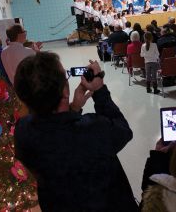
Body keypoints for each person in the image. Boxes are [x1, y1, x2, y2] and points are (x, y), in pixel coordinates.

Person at [13, 53, 138, 211]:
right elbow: (123, 131)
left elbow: (58, 135)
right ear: (65, 92)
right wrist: (99, 91)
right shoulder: (93, 129)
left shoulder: (22, 130)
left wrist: (73, 108)